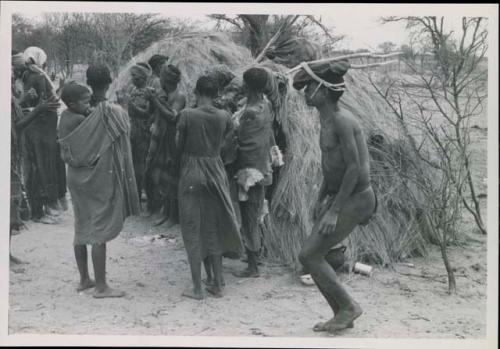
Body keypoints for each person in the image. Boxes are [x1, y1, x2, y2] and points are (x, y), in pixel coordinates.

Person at [293, 60, 377, 333]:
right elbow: (332, 166)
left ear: (324, 91)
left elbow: (354, 168)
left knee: (310, 254)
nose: (305, 94)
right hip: (343, 196)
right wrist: (322, 196)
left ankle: (349, 307)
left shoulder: (341, 120)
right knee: (310, 256)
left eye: (309, 89)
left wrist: (334, 210)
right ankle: (342, 312)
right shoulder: (326, 119)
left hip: (358, 198)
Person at [58, 66, 140, 298]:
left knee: (82, 225)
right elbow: (122, 129)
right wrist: (122, 104)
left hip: (75, 176)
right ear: (110, 81)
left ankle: (85, 278)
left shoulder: (71, 114)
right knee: (99, 229)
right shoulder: (108, 112)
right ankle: (102, 286)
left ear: (89, 82)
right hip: (96, 176)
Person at [177, 76, 242, 300]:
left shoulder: (186, 115)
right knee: (213, 227)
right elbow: (228, 143)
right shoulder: (225, 116)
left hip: (191, 169)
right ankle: (217, 283)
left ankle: (196, 288)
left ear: (196, 91)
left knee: (193, 227)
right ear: (216, 95)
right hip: (215, 169)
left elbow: (179, 145)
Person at [10, 54, 60, 265]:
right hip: (16, 146)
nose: (16, 74)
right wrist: (37, 108)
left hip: (16, 148)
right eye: (15, 70)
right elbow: (16, 124)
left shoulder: (18, 88)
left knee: (13, 198)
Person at [232, 67, 276, 278]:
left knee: (249, 216)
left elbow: (239, 137)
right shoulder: (266, 104)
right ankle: (256, 255)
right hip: (262, 167)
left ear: (247, 85)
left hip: (249, 171)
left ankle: (253, 266)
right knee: (256, 213)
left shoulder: (250, 112)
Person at [21, 47, 67, 223]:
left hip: (37, 128)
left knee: (37, 166)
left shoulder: (28, 75)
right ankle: (44, 210)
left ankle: (40, 209)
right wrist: (62, 90)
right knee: (43, 166)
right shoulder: (39, 77)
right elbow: (49, 101)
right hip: (42, 130)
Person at [145, 64, 186, 227]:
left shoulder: (180, 96)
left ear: (167, 79)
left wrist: (155, 100)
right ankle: (165, 212)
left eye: (161, 77)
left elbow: (171, 116)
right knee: (160, 175)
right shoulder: (164, 94)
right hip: (159, 138)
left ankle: (173, 215)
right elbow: (152, 113)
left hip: (172, 140)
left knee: (171, 176)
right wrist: (152, 100)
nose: (159, 79)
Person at [128, 63, 154, 210]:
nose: (132, 79)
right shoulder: (133, 91)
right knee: (134, 162)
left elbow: (149, 113)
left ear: (142, 77)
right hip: (133, 130)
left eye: (135, 76)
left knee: (141, 163)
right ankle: (135, 194)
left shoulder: (149, 92)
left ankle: (142, 193)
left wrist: (133, 107)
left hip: (144, 131)